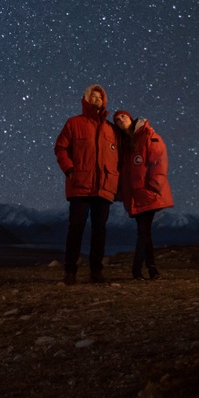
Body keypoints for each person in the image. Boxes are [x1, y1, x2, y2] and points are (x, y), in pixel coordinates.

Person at [53, 84, 119, 284]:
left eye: (100, 97)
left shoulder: (111, 129)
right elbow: (60, 148)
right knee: (76, 228)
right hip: (79, 184)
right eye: (93, 96)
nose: (96, 99)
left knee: (100, 230)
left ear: (104, 101)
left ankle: (96, 272)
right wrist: (70, 169)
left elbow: (119, 156)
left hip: (103, 187)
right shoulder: (74, 123)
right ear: (86, 99)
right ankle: (70, 271)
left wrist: (115, 178)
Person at [113, 109, 173, 280]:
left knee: (143, 231)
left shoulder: (148, 135)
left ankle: (138, 269)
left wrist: (153, 185)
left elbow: (159, 160)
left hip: (148, 192)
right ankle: (150, 269)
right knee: (144, 232)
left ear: (131, 118)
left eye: (123, 116)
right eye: (117, 120)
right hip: (135, 194)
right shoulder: (125, 144)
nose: (121, 120)